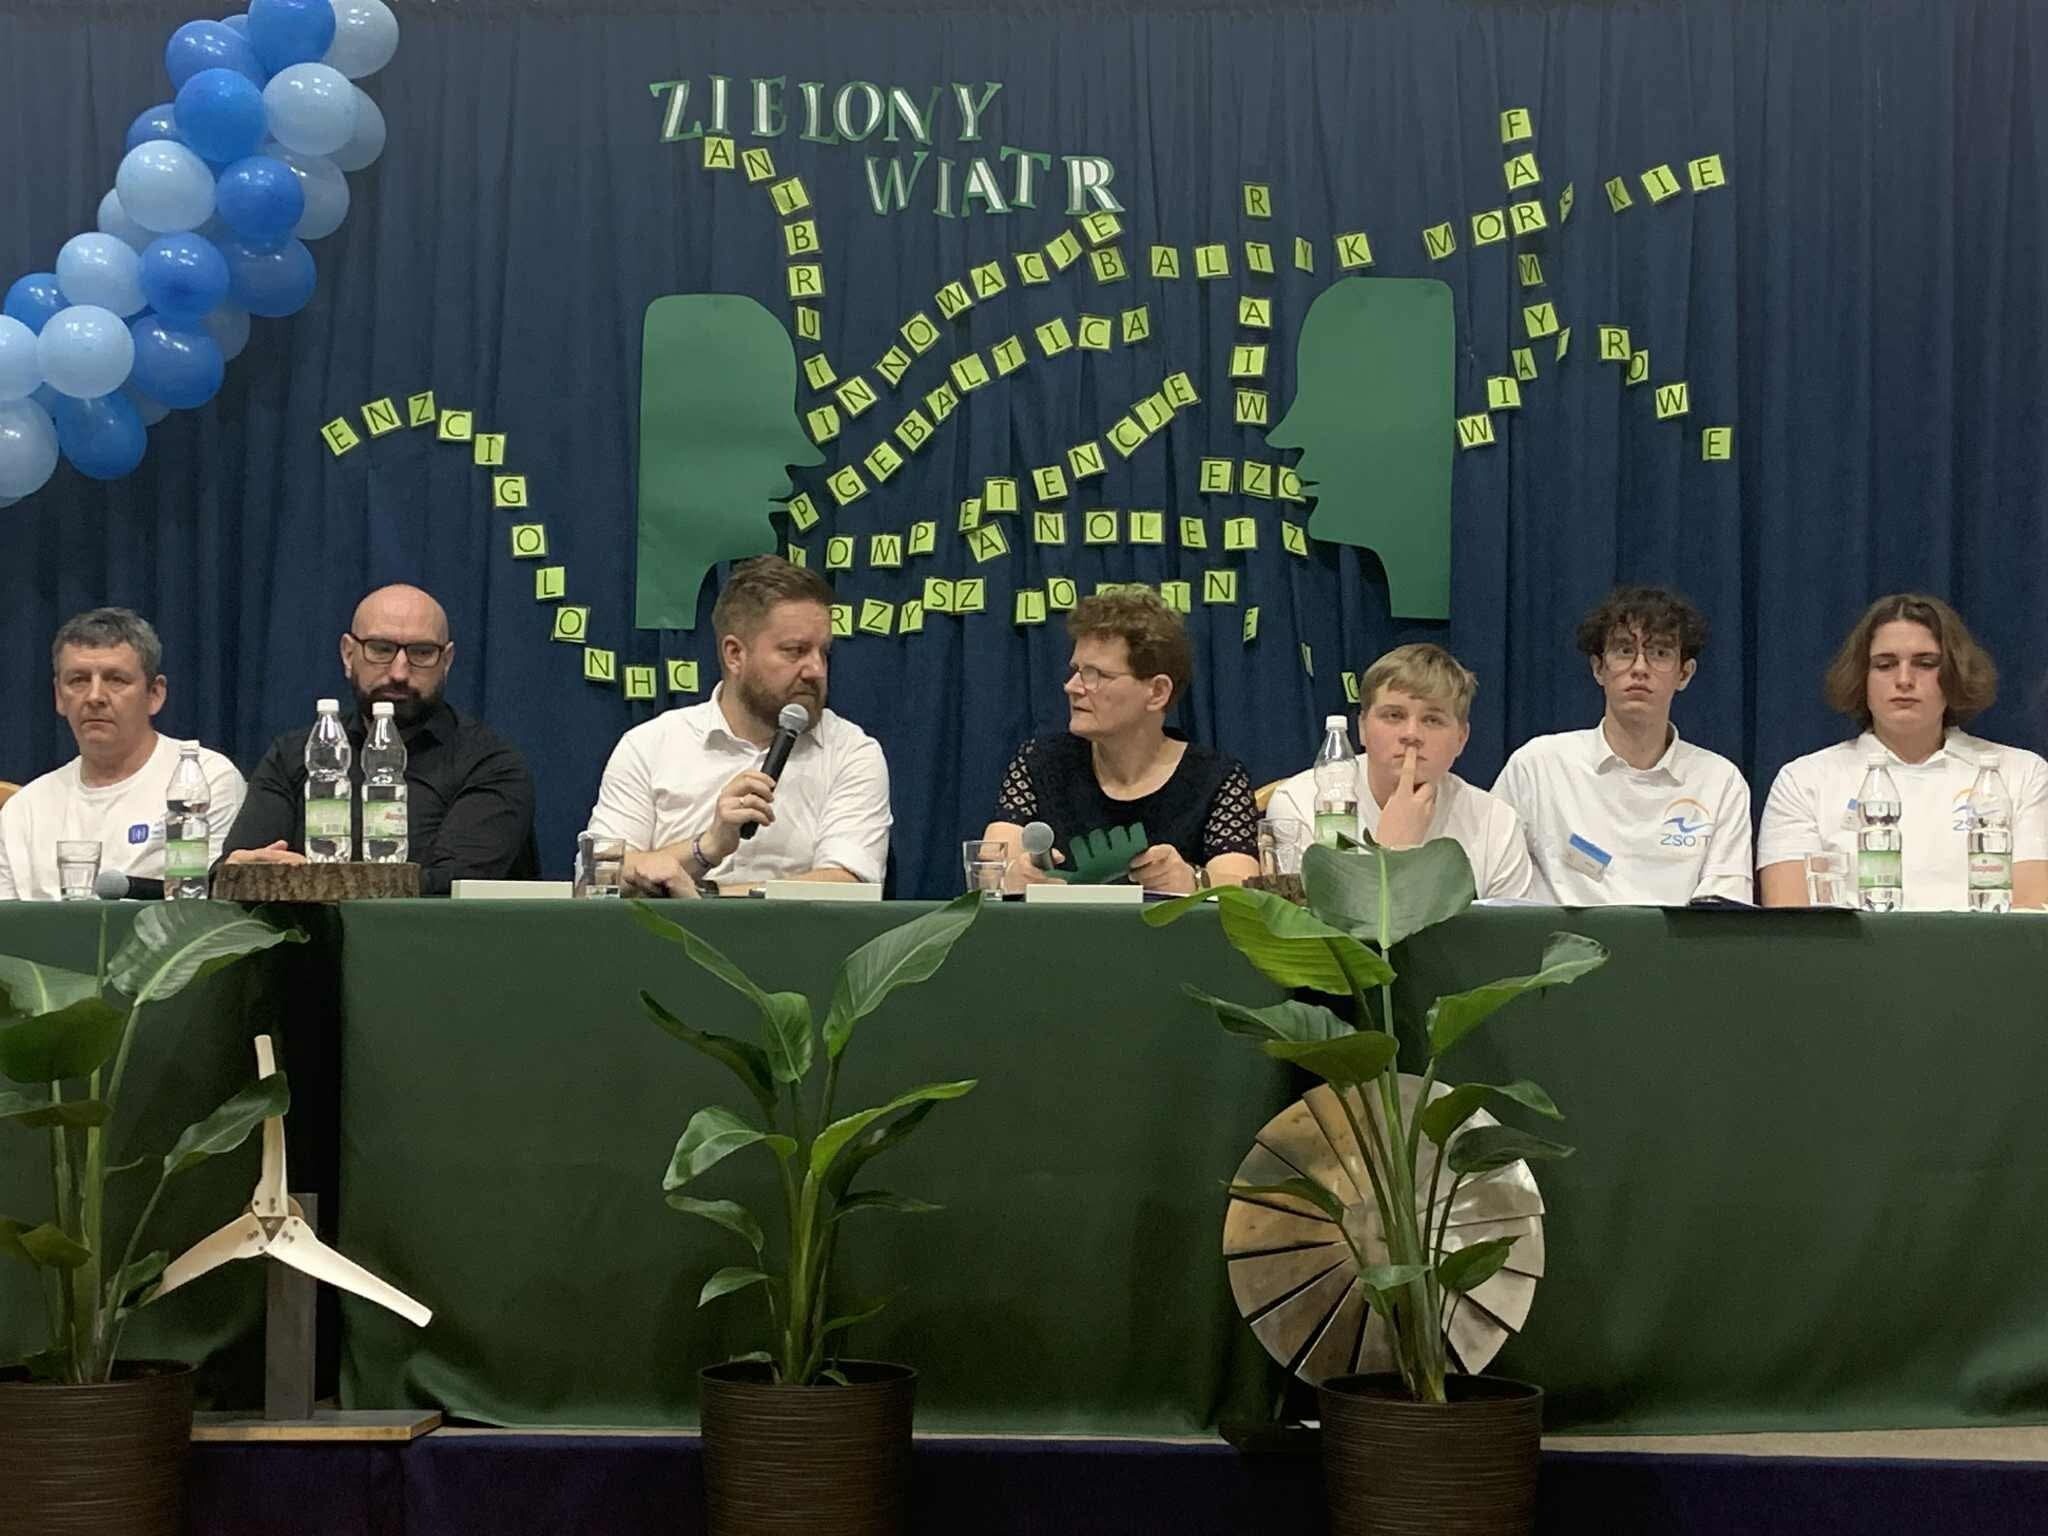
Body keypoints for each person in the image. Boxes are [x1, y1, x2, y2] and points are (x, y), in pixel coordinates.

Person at [587, 556, 889, 896]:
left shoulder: (851, 752)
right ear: (734, 655)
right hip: (664, 933)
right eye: (795, 651)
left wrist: (706, 898)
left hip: (800, 934)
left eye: (824, 652)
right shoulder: (650, 745)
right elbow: (599, 876)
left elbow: (848, 886)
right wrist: (707, 847)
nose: (816, 670)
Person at [220, 584, 537, 894]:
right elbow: (235, 870)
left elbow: (451, 886)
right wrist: (239, 872)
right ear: (348, 654)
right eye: (381, 650)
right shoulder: (294, 755)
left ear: (447, 661)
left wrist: (309, 882)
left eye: (422, 653)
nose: (399, 672)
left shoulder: (490, 765)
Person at [1758, 593, 2048, 909]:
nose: (1904, 680)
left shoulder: (2022, 773)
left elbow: (2030, 914)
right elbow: (1792, 922)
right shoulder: (1804, 781)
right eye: (1885, 665)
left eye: (1926, 664)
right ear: (1861, 677)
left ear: (1954, 673)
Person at [985, 590, 1259, 894]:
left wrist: (1195, 881)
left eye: (1095, 674)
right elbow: (989, 869)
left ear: (1157, 692)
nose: (1071, 687)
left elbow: (1245, 891)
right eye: (1076, 671)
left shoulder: (1216, 778)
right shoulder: (1040, 761)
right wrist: (1012, 876)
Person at [1493, 586, 1753, 904]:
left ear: (1684, 674)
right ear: (1598, 668)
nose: (1640, 668)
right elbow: (1492, 884)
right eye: (1624, 651)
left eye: (1659, 653)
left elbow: (1724, 910)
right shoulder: (1538, 766)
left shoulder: (1720, 781)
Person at [0, 608, 243, 899]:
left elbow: (207, 907)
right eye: (78, 680)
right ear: (59, 696)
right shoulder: (24, 809)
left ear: (155, 694)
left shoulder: (205, 780)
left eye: (116, 679)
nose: (94, 697)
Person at [1268, 643, 1535, 899]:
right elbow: (1311, 927)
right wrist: (1391, 852)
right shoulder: (1300, 803)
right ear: (1362, 728)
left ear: (1461, 738)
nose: (1411, 734)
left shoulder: (1496, 823)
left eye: (1432, 720)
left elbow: (1509, 930)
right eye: (1394, 716)